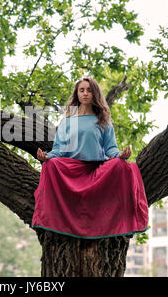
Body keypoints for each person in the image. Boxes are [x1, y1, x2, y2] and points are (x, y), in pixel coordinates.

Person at [31, 77, 149, 239]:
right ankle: (55, 217)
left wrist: (120, 155)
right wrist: (47, 157)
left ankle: (116, 218)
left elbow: (110, 148)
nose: (86, 93)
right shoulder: (68, 121)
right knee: (51, 165)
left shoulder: (103, 120)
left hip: (96, 169)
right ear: (77, 94)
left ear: (95, 94)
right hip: (72, 169)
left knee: (123, 166)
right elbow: (59, 149)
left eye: (89, 90)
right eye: (82, 90)